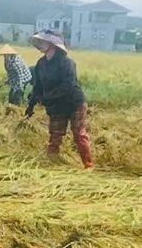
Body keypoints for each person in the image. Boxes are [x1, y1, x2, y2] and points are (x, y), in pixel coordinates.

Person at [24, 30, 93, 168]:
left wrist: (48, 97)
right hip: (56, 105)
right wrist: (31, 105)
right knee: (55, 135)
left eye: (44, 41)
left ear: (53, 45)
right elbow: (37, 86)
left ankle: (88, 165)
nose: (40, 44)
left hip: (74, 103)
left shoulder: (67, 63)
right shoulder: (41, 64)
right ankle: (52, 163)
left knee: (79, 134)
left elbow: (69, 85)